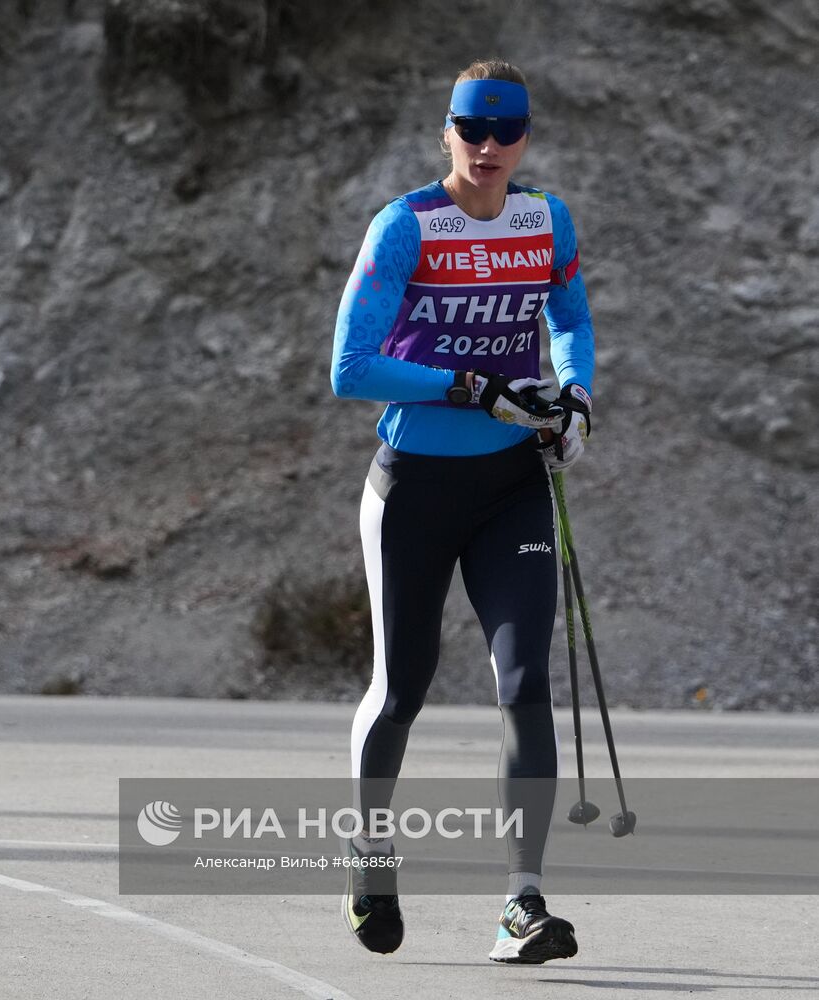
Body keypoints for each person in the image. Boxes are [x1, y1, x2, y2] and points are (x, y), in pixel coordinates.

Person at [329, 59, 595, 964]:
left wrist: (575, 398)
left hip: (513, 483)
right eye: (470, 130)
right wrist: (471, 386)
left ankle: (522, 904)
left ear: (526, 136)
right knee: (401, 688)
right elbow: (350, 367)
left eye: (506, 132)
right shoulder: (405, 226)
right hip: (414, 486)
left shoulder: (545, 219)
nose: (487, 148)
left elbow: (570, 318)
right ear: (444, 129)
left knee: (524, 685)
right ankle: (368, 856)